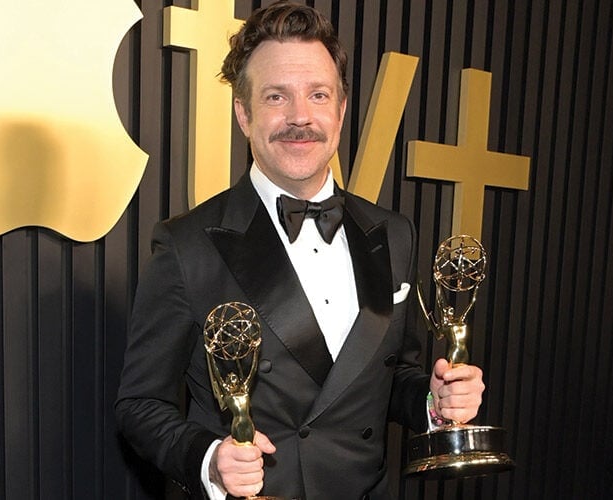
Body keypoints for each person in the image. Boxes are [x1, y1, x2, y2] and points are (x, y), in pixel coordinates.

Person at [115, 2, 485, 499]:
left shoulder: (393, 232)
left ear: (341, 109)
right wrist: (209, 461)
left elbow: (391, 375)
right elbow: (140, 404)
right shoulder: (186, 244)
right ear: (243, 114)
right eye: (275, 97)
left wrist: (433, 402)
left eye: (318, 94)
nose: (300, 117)